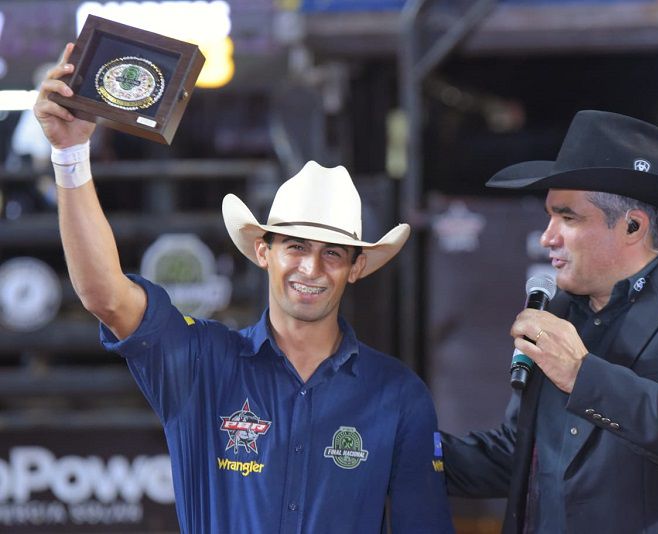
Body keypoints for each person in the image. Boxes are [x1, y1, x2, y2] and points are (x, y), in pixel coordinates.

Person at [35, 43, 454, 534]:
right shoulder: (202, 362)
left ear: (356, 268)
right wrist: (69, 154)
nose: (311, 268)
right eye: (295, 246)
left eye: (333, 253)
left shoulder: (398, 395)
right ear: (263, 252)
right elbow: (105, 296)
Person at [441, 110, 658, 533]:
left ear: (633, 226)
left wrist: (583, 376)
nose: (547, 237)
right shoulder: (560, 311)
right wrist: (401, 449)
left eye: (567, 218)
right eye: (549, 217)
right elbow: (520, 455)